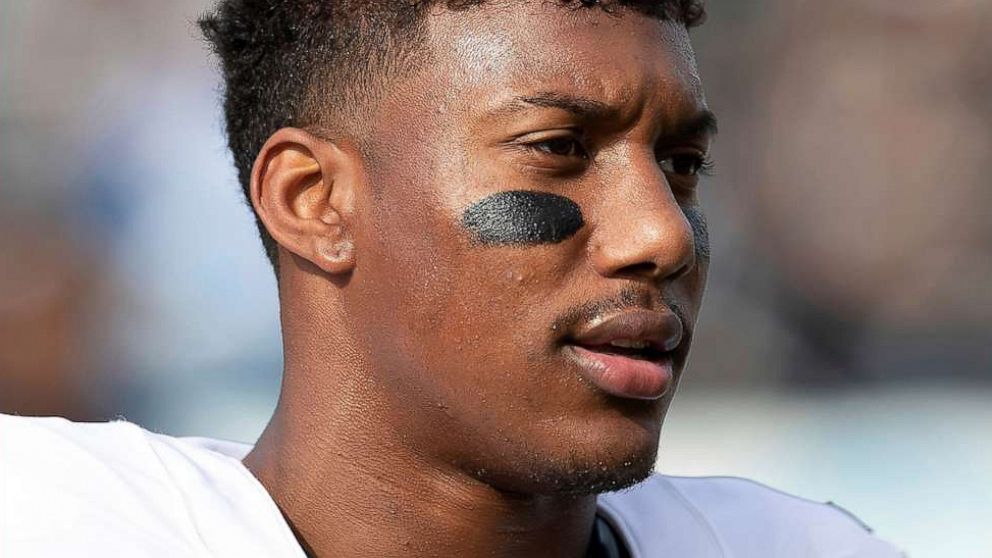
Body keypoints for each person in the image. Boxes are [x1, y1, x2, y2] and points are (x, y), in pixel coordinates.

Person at [0, 1, 903, 556]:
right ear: (314, 200)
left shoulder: (803, 549)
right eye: (557, 149)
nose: (662, 235)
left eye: (681, 164)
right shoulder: (55, 523)